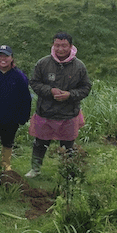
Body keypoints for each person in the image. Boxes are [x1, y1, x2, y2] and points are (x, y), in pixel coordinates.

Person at [26, 32, 91, 178]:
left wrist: (70, 95)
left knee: (68, 146)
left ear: (71, 46)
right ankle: (35, 169)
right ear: (53, 45)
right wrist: (50, 91)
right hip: (45, 112)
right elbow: (34, 83)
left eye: (64, 46)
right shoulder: (43, 63)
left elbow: (86, 88)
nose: (60, 49)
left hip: (69, 113)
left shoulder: (79, 67)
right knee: (40, 143)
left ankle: (67, 171)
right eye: (57, 45)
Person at [0, 45, 32, 172]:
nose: (3, 59)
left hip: (11, 117)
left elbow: (26, 98)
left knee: (7, 141)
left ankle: (5, 165)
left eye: (6, 56)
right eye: (0, 56)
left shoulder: (19, 77)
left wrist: (24, 116)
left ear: (12, 58)